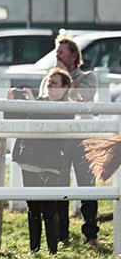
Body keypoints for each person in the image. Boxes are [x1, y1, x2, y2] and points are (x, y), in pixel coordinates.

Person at [7, 68, 73, 255]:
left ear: (65, 87)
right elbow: (12, 120)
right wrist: (11, 103)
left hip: (51, 162)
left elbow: (52, 124)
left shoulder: (67, 107)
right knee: (33, 207)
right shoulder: (37, 102)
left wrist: (32, 103)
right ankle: (34, 250)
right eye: (49, 81)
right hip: (29, 158)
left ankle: (53, 251)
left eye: (55, 82)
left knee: (50, 207)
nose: (50, 85)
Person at [41, 35, 100, 246]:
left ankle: (91, 235)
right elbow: (45, 103)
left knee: (87, 186)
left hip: (83, 138)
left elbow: (85, 100)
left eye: (61, 52)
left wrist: (66, 79)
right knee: (60, 184)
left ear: (74, 55)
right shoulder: (49, 78)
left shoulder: (88, 77)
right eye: (57, 51)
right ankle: (61, 234)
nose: (57, 55)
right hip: (59, 139)